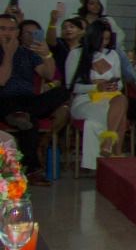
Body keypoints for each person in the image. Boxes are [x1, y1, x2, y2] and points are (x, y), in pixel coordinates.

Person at [0, 13, 68, 183]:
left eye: (11, 29)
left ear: (17, 32)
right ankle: (32, 170)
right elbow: (2, 80)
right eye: (3, 29)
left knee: (62, 91)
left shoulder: (27, 52)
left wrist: (47, 55)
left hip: (28, 100)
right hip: (3, 98)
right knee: (30, 122)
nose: (7, 33)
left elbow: (48, 74)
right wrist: (8, 54)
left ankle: (19, 114)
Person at [66, 19, 128, 174]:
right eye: (101, 39)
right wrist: (95, 86)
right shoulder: (76, 54)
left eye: (107, 39)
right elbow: (71, 86)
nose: (104, 43)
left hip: (109, 98)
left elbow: (120, 83)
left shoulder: (112, 54)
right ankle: (115, 153)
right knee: (120, 114)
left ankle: (107, 144)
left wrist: (113, 85)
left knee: (121, 99)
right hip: (85, 100)